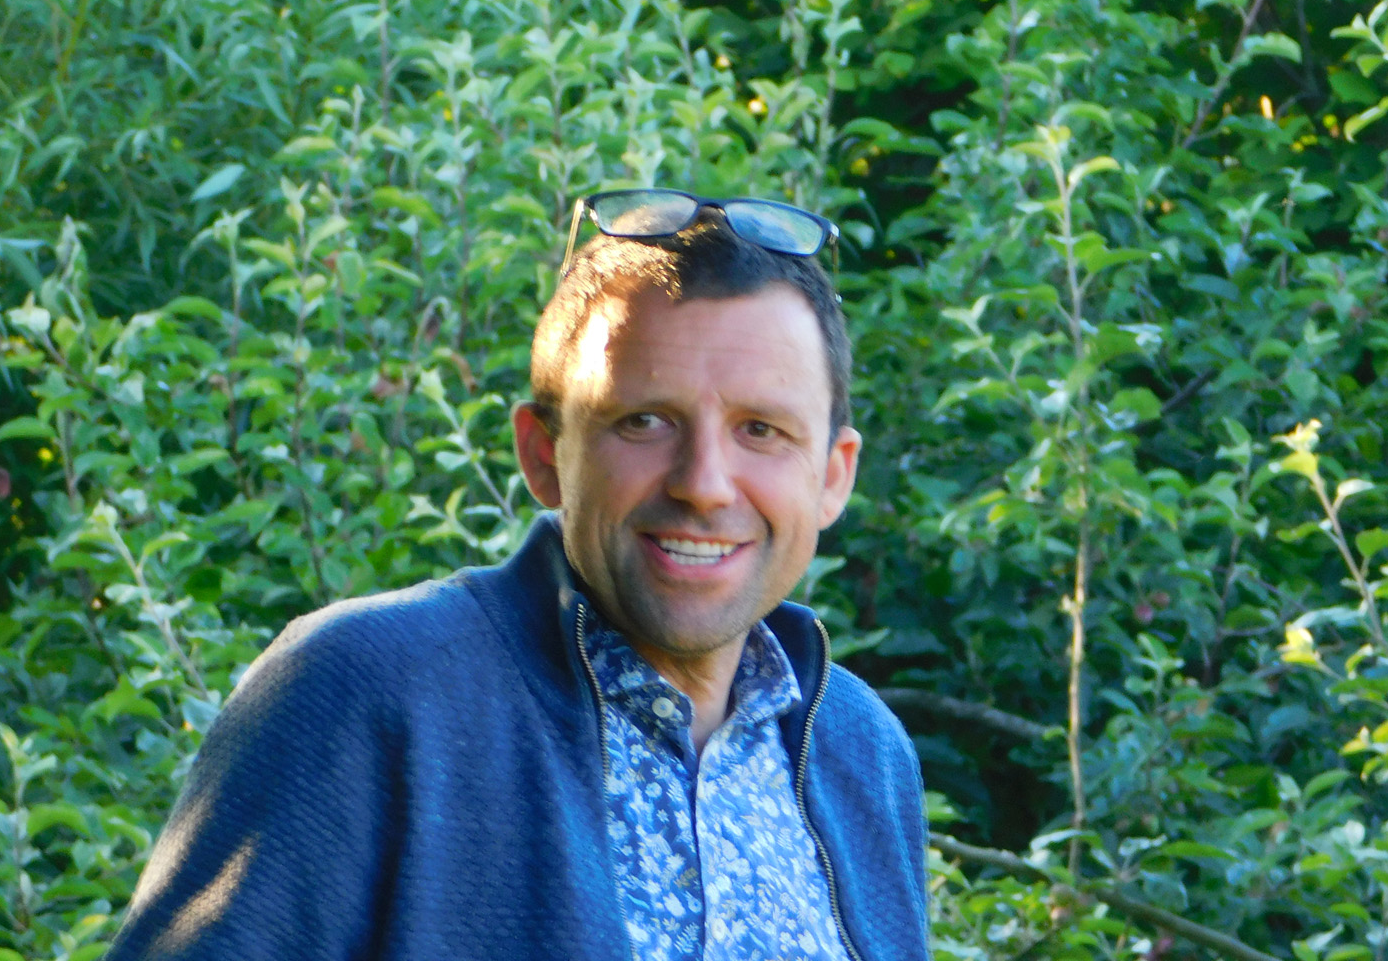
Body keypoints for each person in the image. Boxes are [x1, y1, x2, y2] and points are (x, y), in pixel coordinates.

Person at [105, 190, 930, 961]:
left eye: (761, 430)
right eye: (644, 421)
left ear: (833, 476)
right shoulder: (365, 693)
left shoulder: (866, 756)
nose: (704, 485)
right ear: (543, 454)